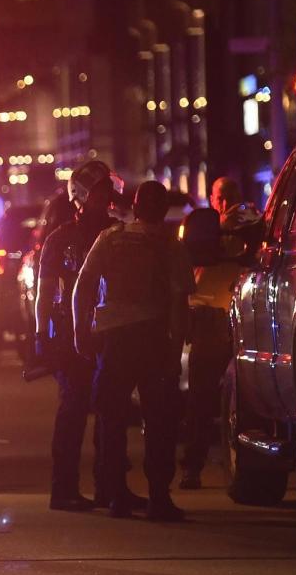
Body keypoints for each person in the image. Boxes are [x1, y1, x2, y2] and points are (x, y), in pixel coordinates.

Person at [73, 180, 193, 521]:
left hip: (113, 338)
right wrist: (175, 349)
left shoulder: (110, 238)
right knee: (159, 420)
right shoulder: (170, 246)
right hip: (152, 338)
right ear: (164, 210)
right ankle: (158, 497)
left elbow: (83, 285)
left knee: (111, 421)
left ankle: (116, 497)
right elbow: (178, 303)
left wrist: (81, 330)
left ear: (135, 208)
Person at [34, 159, 127, 511]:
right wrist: (42, 334)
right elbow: (45, 292)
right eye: (101, 190)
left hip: (110, 330)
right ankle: (64, 490)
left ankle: (110, 486)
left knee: (111, 410)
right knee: (73, 410)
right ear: (83, 195)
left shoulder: (119, 232)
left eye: (109, 190)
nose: (108, 197)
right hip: (71, 337)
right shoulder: (61, 240)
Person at [180, 177, 261, 488]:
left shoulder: (251, 224)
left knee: (249, 399)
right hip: (211, 320)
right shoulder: (203, 228)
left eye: (231, 196)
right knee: (199, 399)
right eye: (220, 197)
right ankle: (192, 467)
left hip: (244, 322)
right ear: (212, 200)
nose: (226, 203)